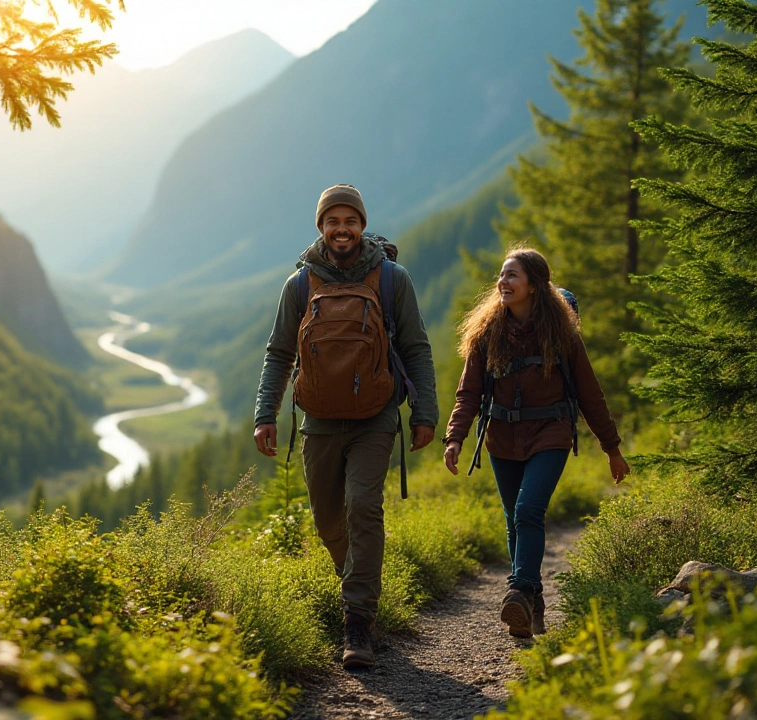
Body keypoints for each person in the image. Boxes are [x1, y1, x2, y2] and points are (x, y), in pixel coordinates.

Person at [253, 184, 438, 669]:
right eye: (333, 221)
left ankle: (358, 622)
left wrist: (424, 413)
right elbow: (279, 354)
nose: (342, 229)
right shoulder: (299, 285)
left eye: (350, 220)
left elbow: (416, 348)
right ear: (321, 227)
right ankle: (356, 580)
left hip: (375, 416)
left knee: (362, 506)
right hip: (318, 419)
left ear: (361, 224)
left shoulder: (392, 280)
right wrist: (264, 414)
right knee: (328, 520)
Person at [442, 248, 630, 638]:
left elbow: (590, 396)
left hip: (551, 433)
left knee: (528, 510)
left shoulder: (563, 337)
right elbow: (468, 394)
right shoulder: (485, 334)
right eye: (501, 275)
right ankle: (532, 600)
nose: (503, 283)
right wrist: (455, 438)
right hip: (501, 437)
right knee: (514, 520)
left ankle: (518, 590)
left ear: (535, 286)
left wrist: (611, 449)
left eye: (512, 276)